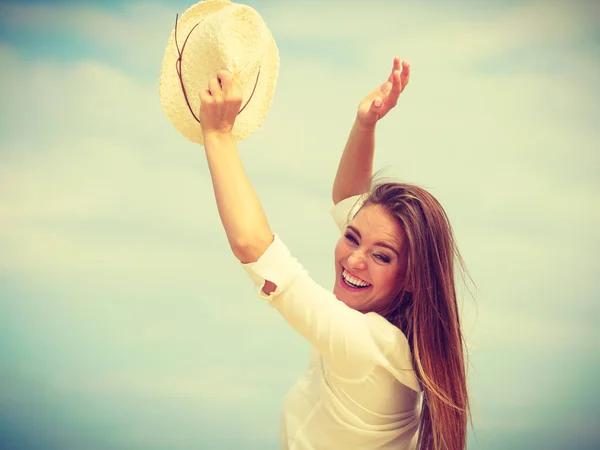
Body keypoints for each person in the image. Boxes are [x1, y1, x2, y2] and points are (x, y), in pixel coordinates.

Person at [198, 57, 470, 450]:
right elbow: (349, 199)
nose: (354, 259)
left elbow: (254, 248)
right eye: (352, 238)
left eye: (382, 257)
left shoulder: (367, 346)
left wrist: (219, 135)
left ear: (413, 278)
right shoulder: (400, 336)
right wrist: (366, 124)